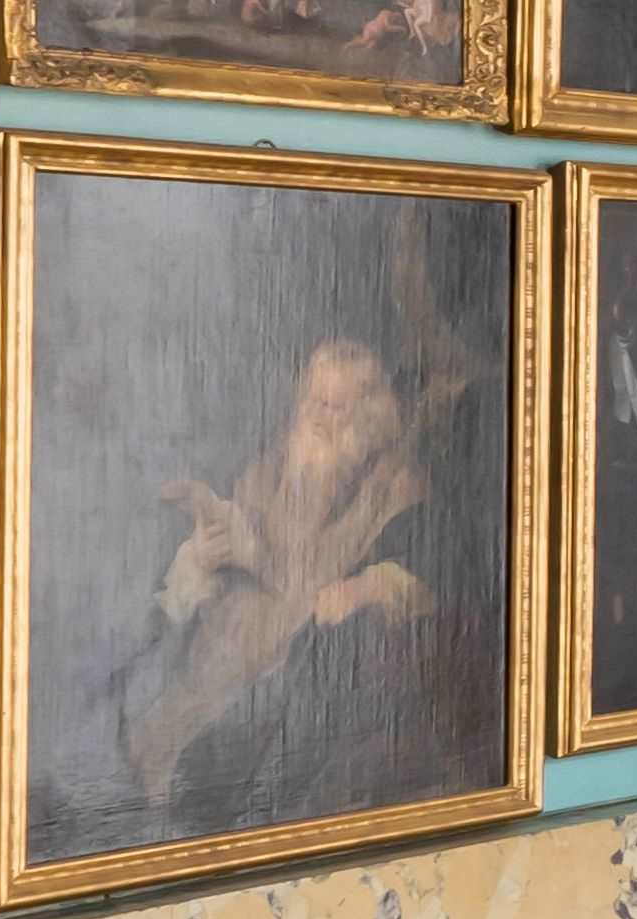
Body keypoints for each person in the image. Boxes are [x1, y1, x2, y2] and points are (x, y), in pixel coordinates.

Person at [115, 335, 444, 828]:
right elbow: (176, 603)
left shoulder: (392, 490)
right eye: (313, 401)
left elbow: (322, 596)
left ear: (370, 417)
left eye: (336, 407)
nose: (318, 419)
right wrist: (197, 558)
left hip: (281, 716)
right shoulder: (269, 468)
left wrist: (257, 556)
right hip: (199, 687)